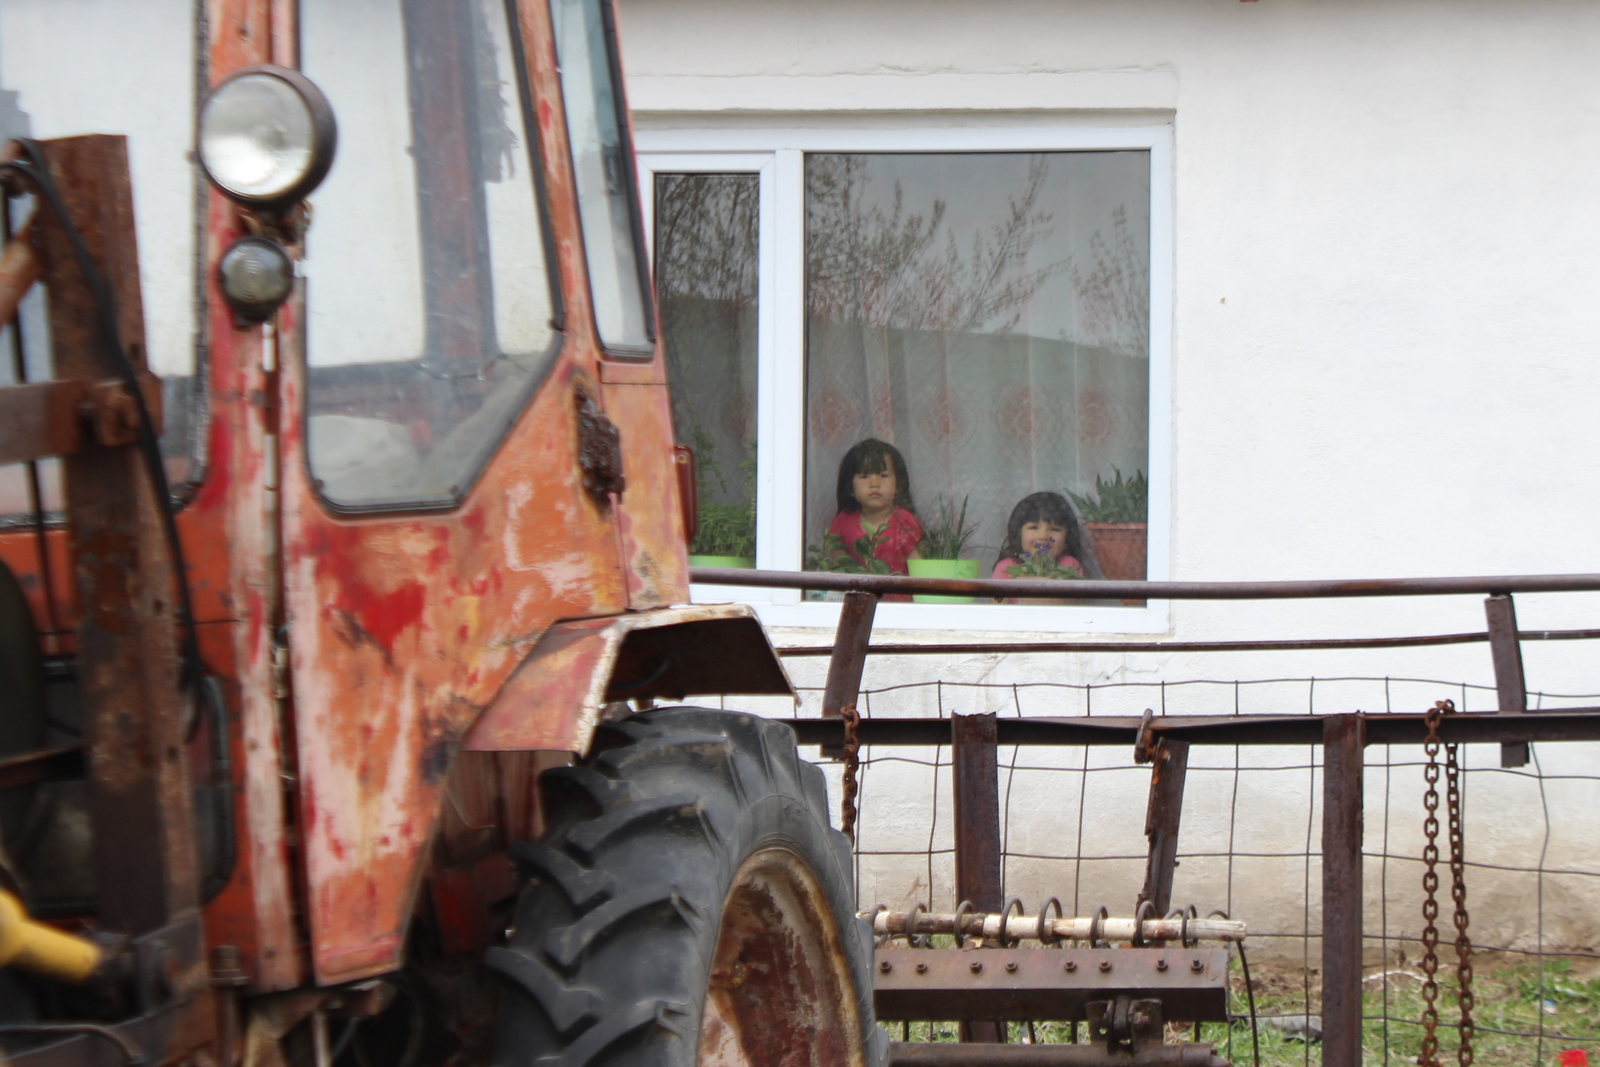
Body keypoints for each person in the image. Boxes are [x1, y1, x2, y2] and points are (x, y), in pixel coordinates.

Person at [826, 439, 923, 586]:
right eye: (864, 477)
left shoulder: (905, 522)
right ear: (850, 488)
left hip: (901, 603)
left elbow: (920, 574)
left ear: (899, 485)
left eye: (884, 475)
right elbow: (839, 569)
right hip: (857, 600)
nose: (875, 484)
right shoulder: (841, 523)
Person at [992, 491, 1101, 581]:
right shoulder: (1007, 567)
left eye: (1055, 529)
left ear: (1067, 541)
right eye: (1034, 527)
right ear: (1019, 535)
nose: (1043, 536)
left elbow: (1070, 598)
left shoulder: (1069, 565)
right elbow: (996, 602)